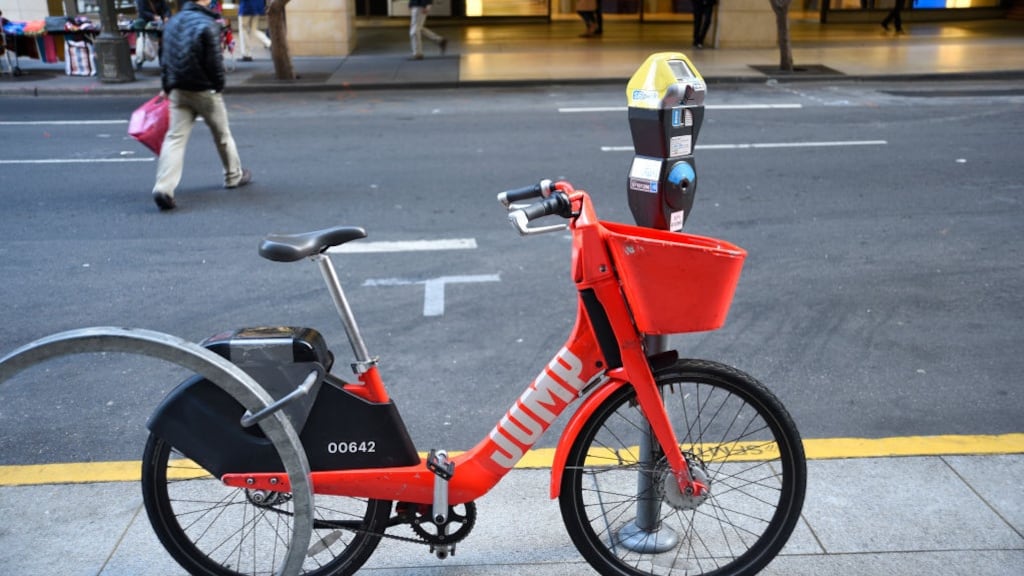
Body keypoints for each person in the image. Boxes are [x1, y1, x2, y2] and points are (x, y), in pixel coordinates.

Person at [151, 0, 251, 211]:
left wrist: (167, 86)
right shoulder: (209, 23)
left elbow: (165, 59)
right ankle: (233, 175)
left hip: (178, 88)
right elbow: (214, 61)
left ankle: (163, 187)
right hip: (204, 89)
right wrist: (218, 85)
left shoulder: (172, 23)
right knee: (222, 135)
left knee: (174, 139)